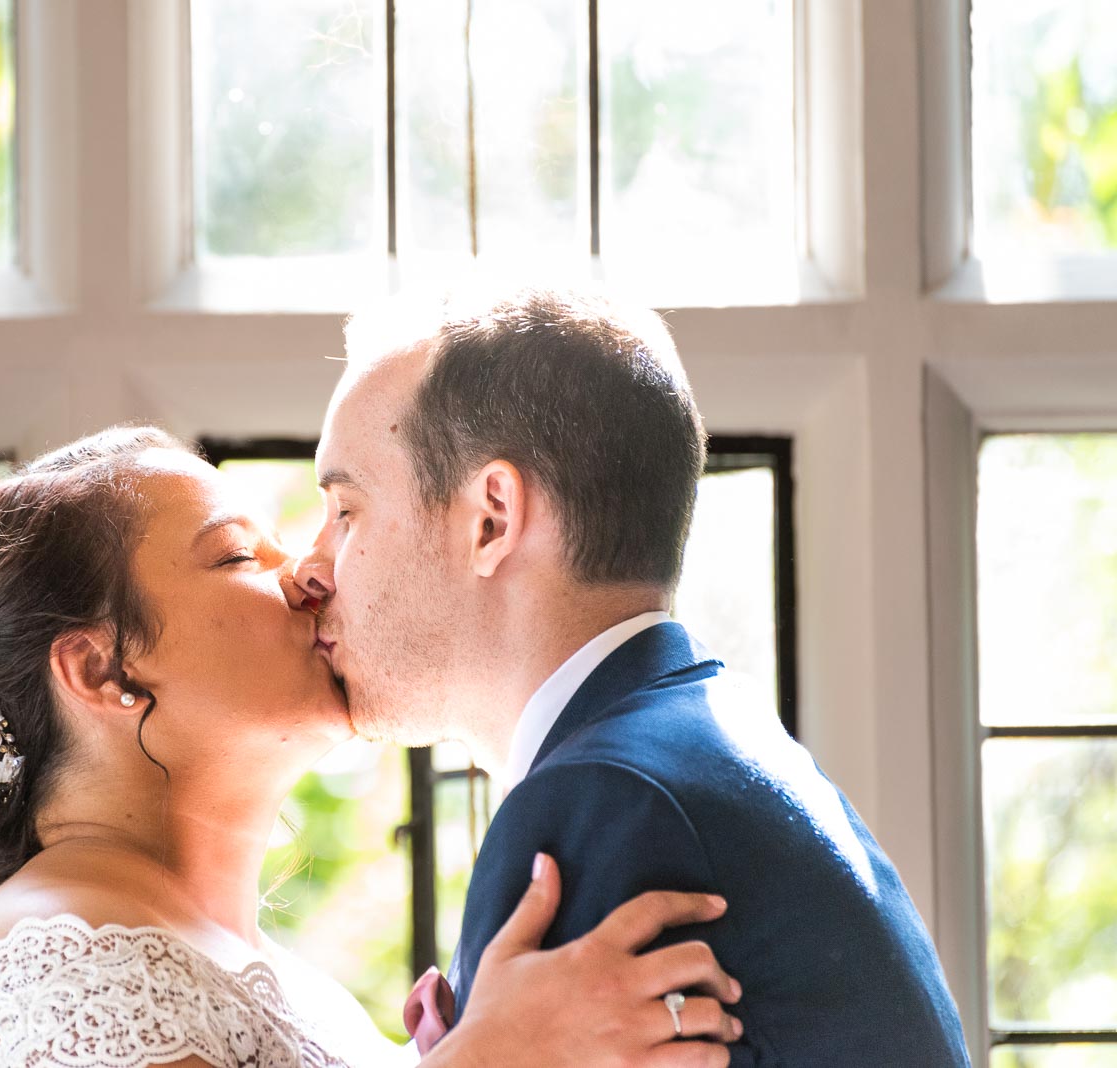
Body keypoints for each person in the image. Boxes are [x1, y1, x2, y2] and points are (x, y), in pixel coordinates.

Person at [0, 427, 744, 1068]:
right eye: (233, 556)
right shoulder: (53, 969)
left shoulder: (277, 982)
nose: (310, 573)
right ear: (102, 667)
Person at [291, 286, 972, 1065]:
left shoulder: (605, 804)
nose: (313, 567)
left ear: (491, 518)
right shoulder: (710, 740)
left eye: (346, 510)